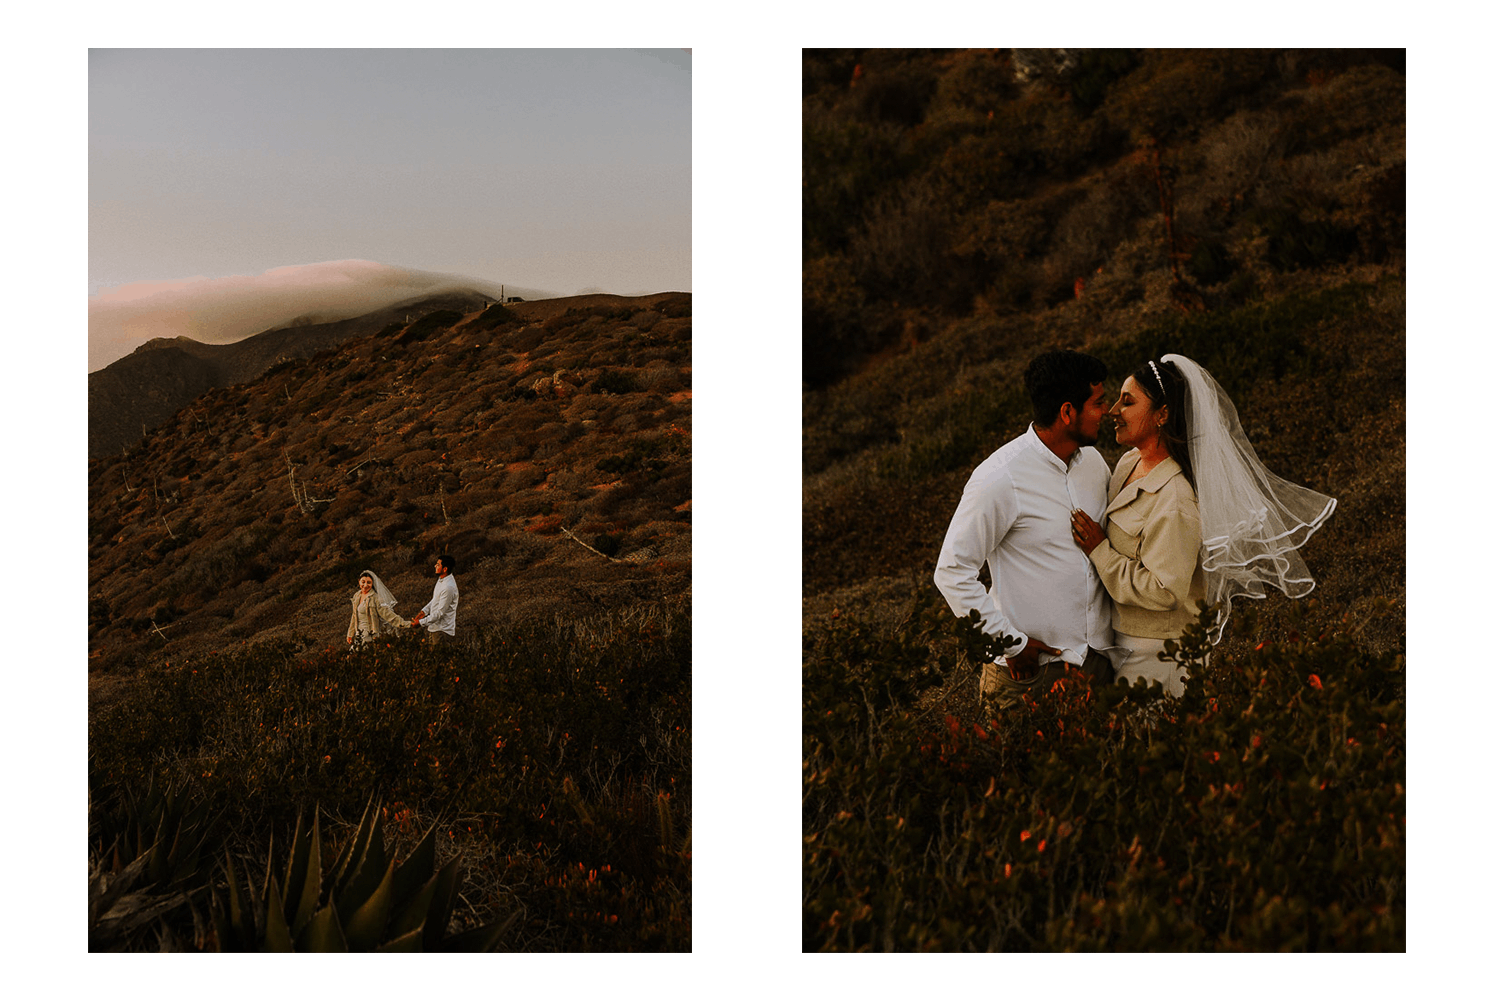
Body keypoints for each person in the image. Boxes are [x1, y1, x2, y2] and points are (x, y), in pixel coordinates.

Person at [1069, 354, 1336, 697]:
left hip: (1159, 655)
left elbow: (1165, 590)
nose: (1113, 411)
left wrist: (1099, 551)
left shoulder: (1178, 498)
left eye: (1128, 401)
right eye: (1118, 399)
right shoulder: (1127, 463)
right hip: (1120, 642)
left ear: (1162, 414)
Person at [934, 350, 1123, 708]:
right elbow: (952, 571)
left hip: (1098, 666)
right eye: (1098, 402)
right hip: (1029, 677)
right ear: (1067, 412)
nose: (1108, 411)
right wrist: (1006, 643)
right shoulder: (1000, 477)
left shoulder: (1095, 464)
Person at [347, 569, 410, 646]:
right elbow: (354, 616)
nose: (365, 585)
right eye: (363, 582)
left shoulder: (375, 598)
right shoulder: (357, 595)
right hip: (358, 634)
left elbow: (388, 615)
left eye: (369, 583)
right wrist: (350, 633)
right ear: (359, 581)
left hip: (370, 635)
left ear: (373, 584)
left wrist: (406, 624)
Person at [411, 554, 459, 643]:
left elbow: (440, 613)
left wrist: (420, 623)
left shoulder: (448, 587)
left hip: (442, 631)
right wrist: (424, 612)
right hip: (434, 629)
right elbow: (435, 599)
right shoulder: (441, 580)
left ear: (445, 569)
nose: (435, 566)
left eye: (438, 564)